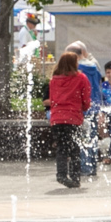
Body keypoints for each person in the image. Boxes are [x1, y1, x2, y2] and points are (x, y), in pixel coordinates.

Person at [47, 49, 91, 189]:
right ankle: (75, 177)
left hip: (57, 118)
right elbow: (86, 100)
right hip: (73, 118)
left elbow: (52, 99)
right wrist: (84, 108)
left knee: (61, 147)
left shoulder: (54, 80)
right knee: (75, 149)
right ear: (73, 63)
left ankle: (61, 174)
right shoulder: (81, 78)